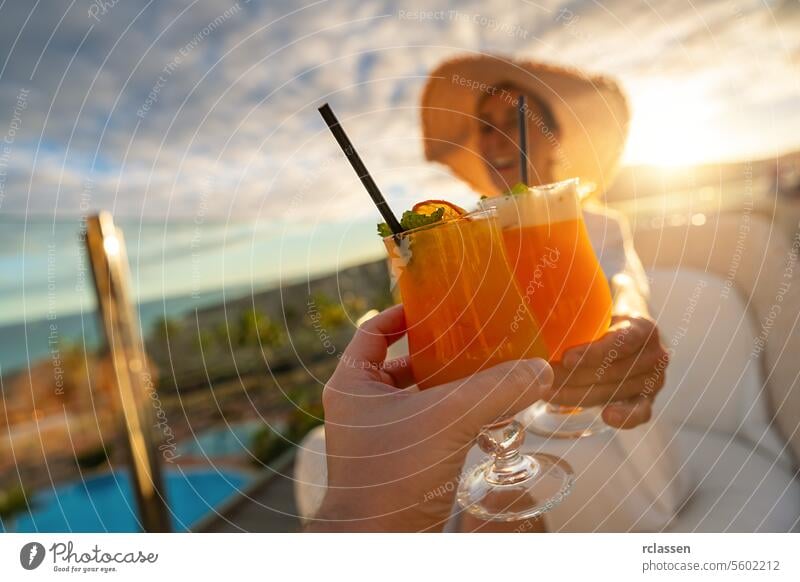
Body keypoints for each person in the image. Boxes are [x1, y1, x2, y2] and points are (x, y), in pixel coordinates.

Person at [307, 305, 655, 532]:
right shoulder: (448, 246)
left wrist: (630, 325)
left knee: (502, 512)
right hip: (465, 444)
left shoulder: (587, 222)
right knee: (497, 512)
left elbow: (623, 283)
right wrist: (365, 511)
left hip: (599, 455)